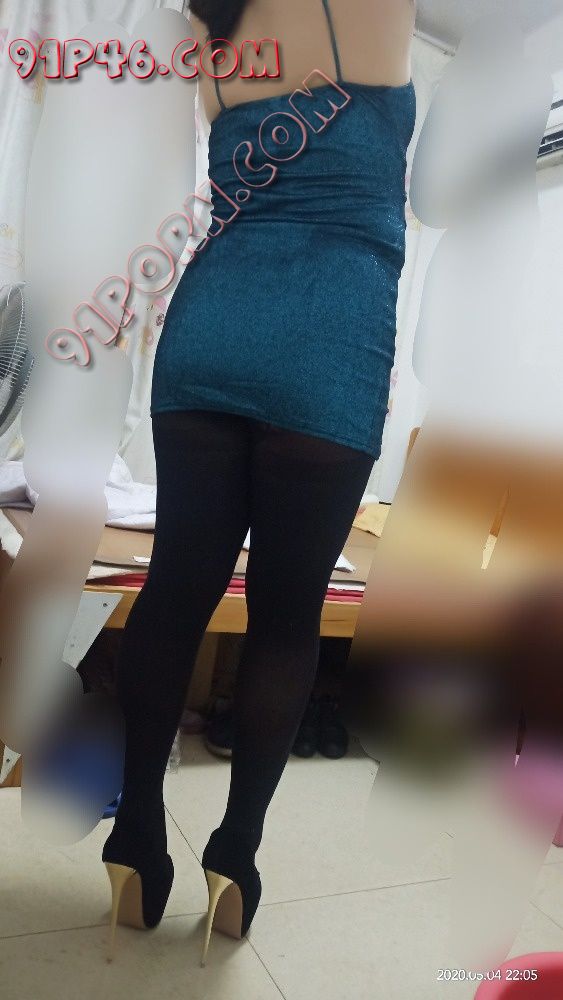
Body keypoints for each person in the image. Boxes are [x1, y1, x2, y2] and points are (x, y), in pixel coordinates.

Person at [102, 0, 417, 965]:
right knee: (286, 615)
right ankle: (234, 857)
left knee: (173, 594)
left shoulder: (205, 33)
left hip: (211, 321)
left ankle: (135, 838)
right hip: (330, 333)